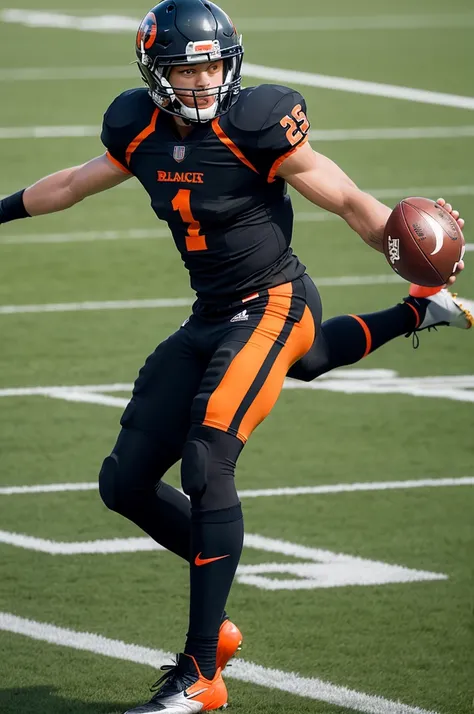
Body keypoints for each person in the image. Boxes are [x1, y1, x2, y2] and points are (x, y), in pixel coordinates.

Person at [0, 1, 470, 711]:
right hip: (212, 316)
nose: (206, 80)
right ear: (158, 75)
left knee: (208, 455)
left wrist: (413, 250)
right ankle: (417, 314)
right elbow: (70, 184)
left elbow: (347, 200)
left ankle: (201, 672)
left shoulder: (258, 123)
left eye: (215, 64)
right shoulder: (138, 127)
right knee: (124, 484)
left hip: (274, 304)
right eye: (189, 69)